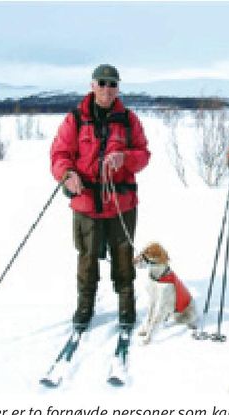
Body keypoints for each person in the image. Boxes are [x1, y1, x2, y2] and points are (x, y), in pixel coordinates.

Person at [49, 63, 150, 330]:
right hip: (86, 201)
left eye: (112, 84)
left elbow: (143, 155)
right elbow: (59, 155)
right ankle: (85, 306)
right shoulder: (75, 119)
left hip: (122, 203)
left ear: (118, 88)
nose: (107, 88)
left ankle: (126, 306)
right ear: (92, 85)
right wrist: (67, 174)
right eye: (102, 83)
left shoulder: (129, 120)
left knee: (123, 254)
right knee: (87, 256)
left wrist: (125, 158)